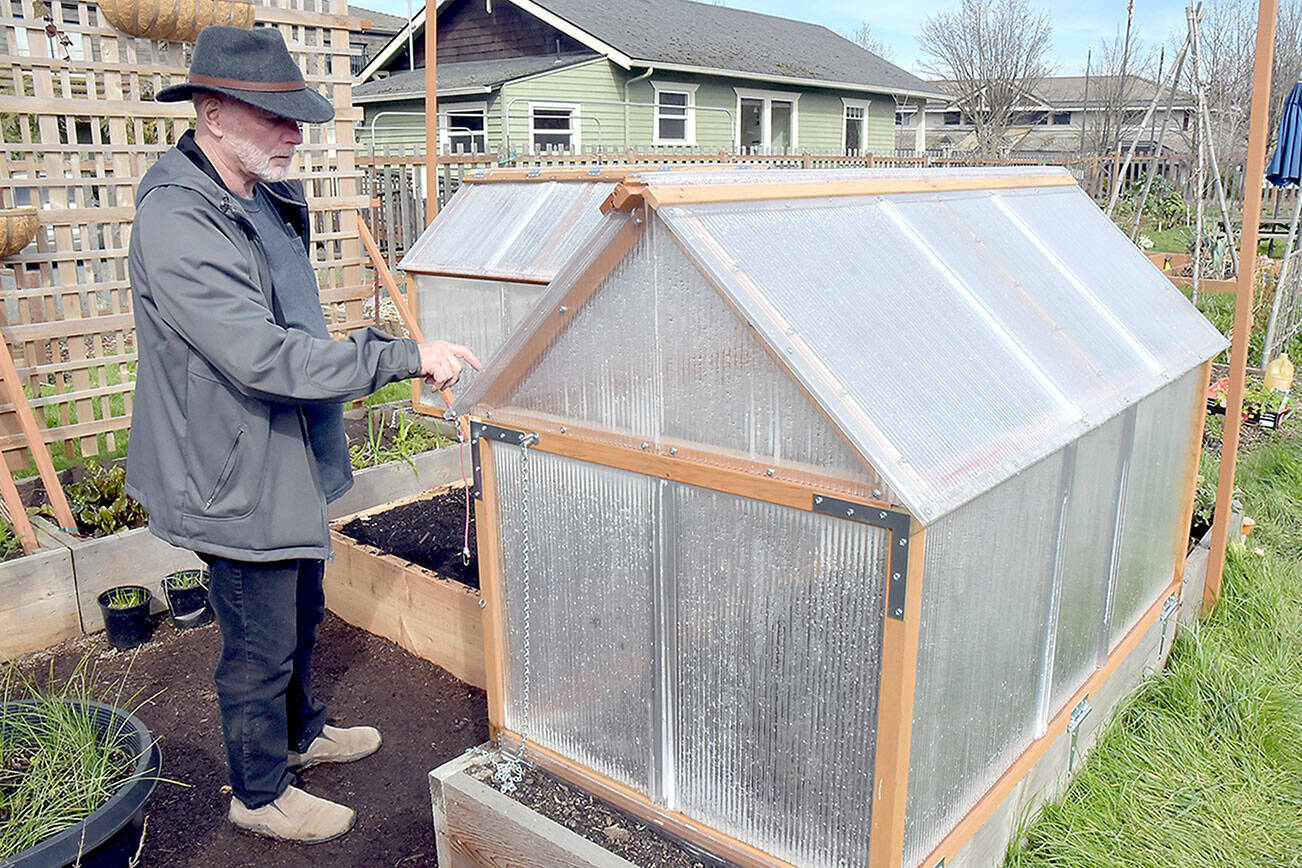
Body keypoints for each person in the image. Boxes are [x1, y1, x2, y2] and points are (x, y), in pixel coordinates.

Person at [125, 25, 480, 843]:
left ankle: (302, 733)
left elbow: (293, 322)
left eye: (299, 118)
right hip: (230, 471)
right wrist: (399, 357)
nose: (297, 133)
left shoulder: (259, 195)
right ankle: (258, 792)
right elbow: (260, 355)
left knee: (303, 612)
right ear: (212, 113)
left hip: (281, 454)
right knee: (257, 646)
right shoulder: (179, 223)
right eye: (275, 117)